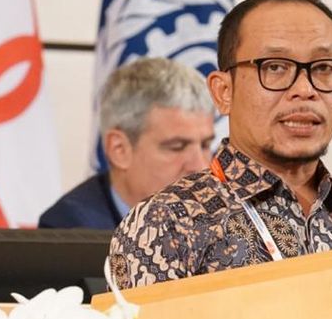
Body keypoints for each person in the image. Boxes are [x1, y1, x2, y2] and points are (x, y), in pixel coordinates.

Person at [110, 0, 332, 289]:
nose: (305, 89)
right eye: (275, 67)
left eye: (324, 67)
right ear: (223, 91)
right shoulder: (169, 222)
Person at [39, 57, 215, 229]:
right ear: (120, 150)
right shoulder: (72, 231)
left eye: (205, 145)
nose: (200, 167)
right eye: (177, 147)